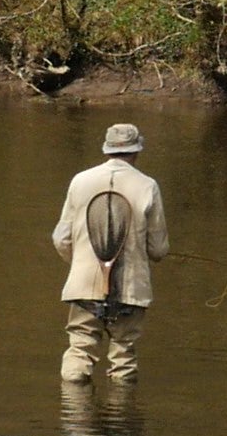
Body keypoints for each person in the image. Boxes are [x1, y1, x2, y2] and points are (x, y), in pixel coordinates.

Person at [52, 123, 168, 384]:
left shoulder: (80, 181)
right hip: (131, 289)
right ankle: (121, 417)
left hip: (83, 286)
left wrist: (79, 263)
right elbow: (158, 249)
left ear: (107, 149)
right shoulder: (148, 185)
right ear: (136, 150)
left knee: (80, 349)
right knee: (124, 355)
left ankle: (74, 416)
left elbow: (61, 239)